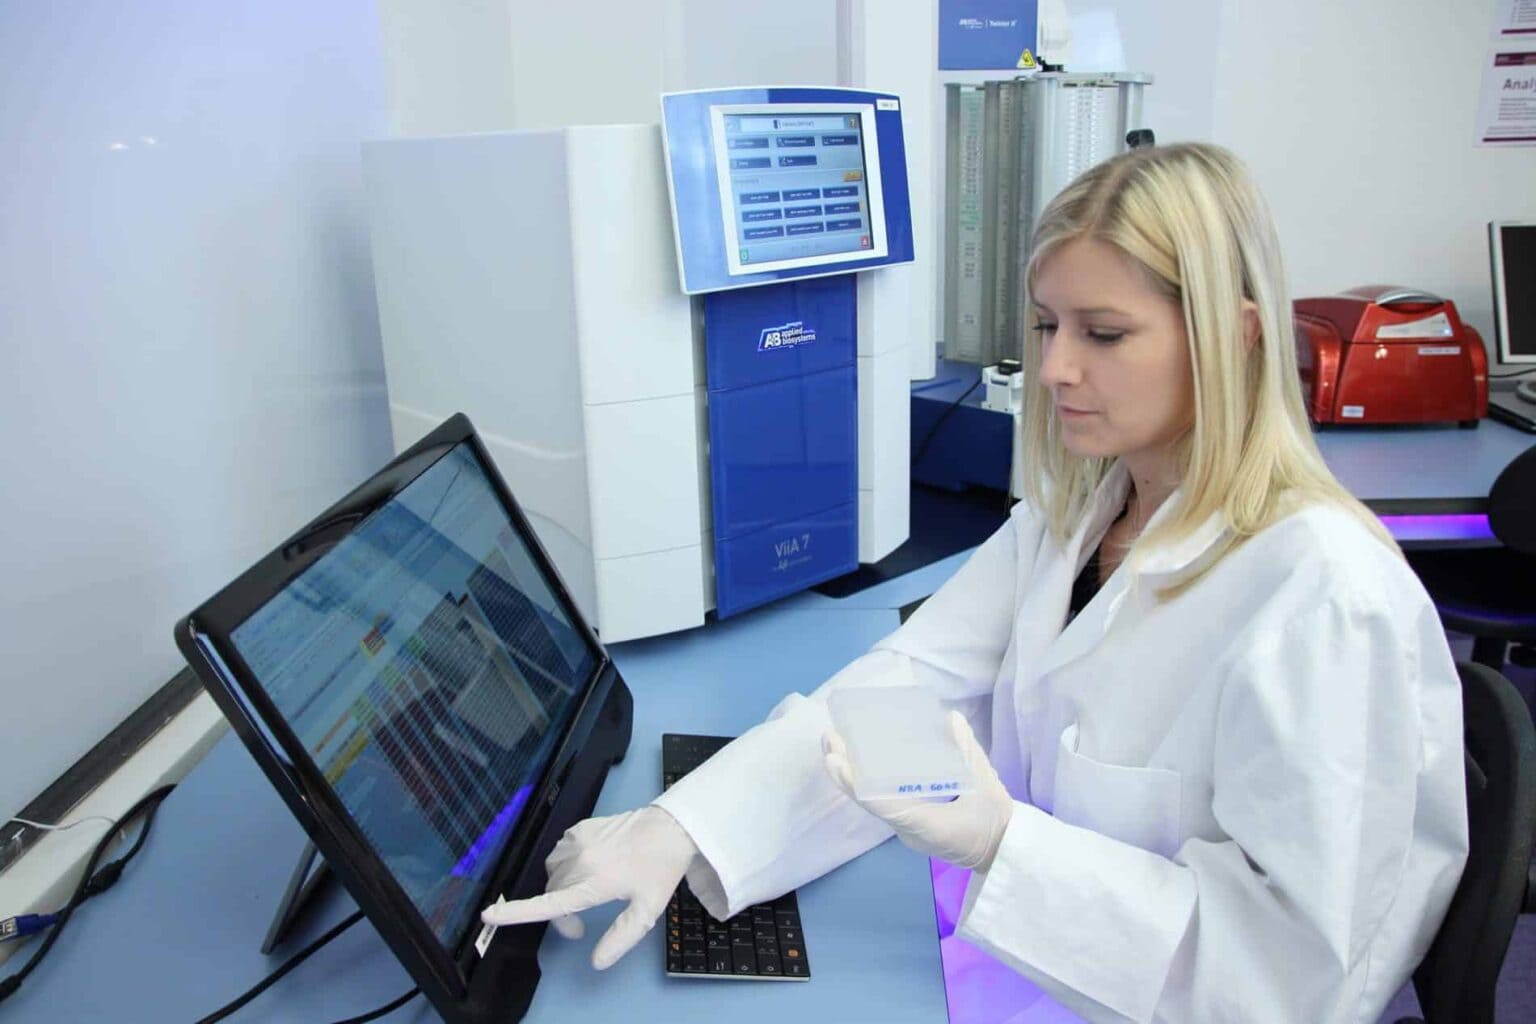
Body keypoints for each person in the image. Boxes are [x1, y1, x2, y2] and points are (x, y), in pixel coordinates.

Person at [481, 142, 1468, 1022]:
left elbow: (1292, 985)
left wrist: (1006, 846)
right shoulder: (1080, 519)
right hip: (1025, 970)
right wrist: (680, 826)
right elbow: (896, 695)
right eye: (1045, 326)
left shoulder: (1326, 600)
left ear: (1236, 334)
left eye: (1105, 332)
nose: (1056, 369)